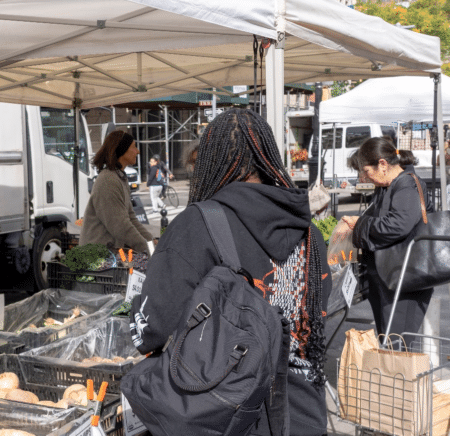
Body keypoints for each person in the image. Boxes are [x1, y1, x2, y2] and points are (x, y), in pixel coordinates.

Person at [131, 108, 331, 435]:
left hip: (230, 417)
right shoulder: (310, 232)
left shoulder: (197, 226)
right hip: (303, 413)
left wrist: (133, 315)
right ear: (268, 157)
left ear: (210, 161)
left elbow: (152, 328)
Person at [342, 137, 434, 341]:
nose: (365, 178)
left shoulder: (407, 184)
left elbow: (397, 225)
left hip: (406, 277)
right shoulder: (387, 186)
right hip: (389, 275)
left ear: (382, 164)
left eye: (366, 171)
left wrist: (360, 225)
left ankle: (399, 373)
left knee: (397, 343)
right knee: (388, 340)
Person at [80, 130, 155, 253]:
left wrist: (151, 241)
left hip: (110, 255)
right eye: (133, 147)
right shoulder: (108, 180)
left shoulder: (119, 177)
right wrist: (148, 250)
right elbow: (120, 226)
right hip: (96, 258)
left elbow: (131, 218)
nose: (138, 151)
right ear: (122, 150)